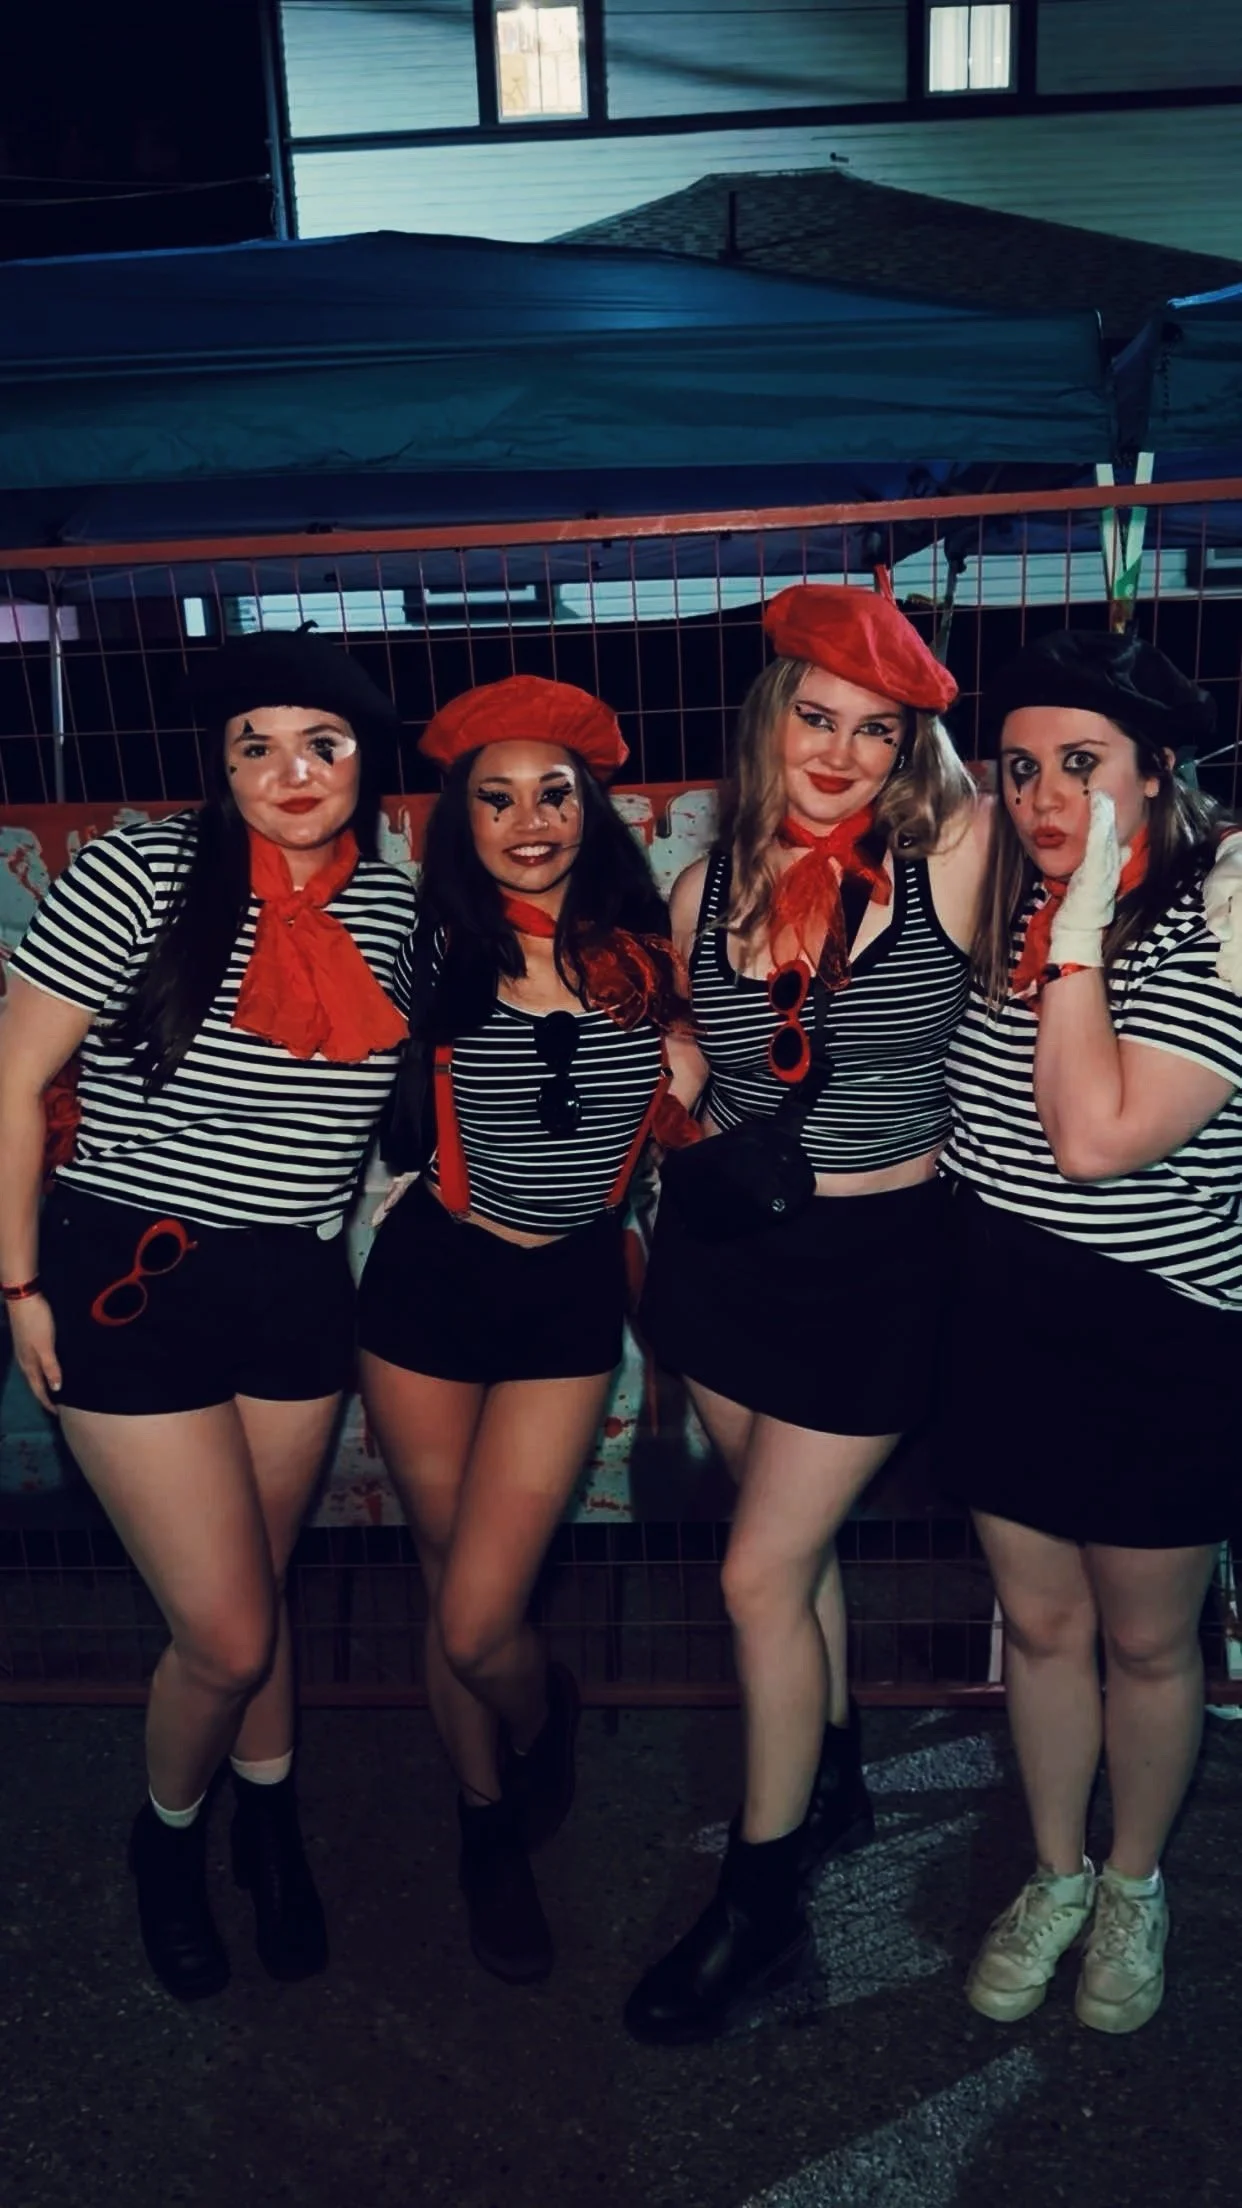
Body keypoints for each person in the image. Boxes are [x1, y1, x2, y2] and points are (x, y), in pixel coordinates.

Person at [0, 630, 415, 2001]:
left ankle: (272, 1822)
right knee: (226, 1631)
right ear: (217, 760)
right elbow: (12, 1084)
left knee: (259, 1588)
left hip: (291, 1283)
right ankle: (167, 1841)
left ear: (366, 761)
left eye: (322, 744)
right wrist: (15, 1288)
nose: (288, 773)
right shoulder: (140, 872)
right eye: (255, 745)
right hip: (130, 1276)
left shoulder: (401, 908)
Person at [623, 579, 991, 2044]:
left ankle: (760, 1909)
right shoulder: (697, 887)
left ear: (909, 750)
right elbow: (697, 1060)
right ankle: (831, 1774)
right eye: (816, 720)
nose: (838, 754)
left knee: (755, 1578)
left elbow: (1077, 802)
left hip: (878, 1266)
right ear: (770, 722)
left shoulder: (947, 854)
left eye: (875, 730)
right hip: (725, 1262)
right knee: (790, 1543)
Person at [359, 672, 691, 1987]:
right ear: (461, 819)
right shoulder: (427, 946)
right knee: (449, 1589)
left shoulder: (650, 954)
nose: (528, 818)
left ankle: (539, 1714)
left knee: (479, 1619)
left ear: (592, 805)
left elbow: (724, 1098)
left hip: (564, 1296)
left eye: (553, 790)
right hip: (427, 1289)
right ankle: (484, 1820)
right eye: (495, 798)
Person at [941, 629, 1242, 2035]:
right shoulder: (1000, 905)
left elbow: (1090, 1138)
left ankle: (1132, 1882)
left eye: (1081, 765)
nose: (1045, 797)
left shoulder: (1218, 916)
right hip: (1003, 1316)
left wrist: (1075, 938)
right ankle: (1053, 1872)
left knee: (1146, 1643)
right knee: (1040, 1623)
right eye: (1019, 770)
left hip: (1160, 1337)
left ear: (1156, 776)